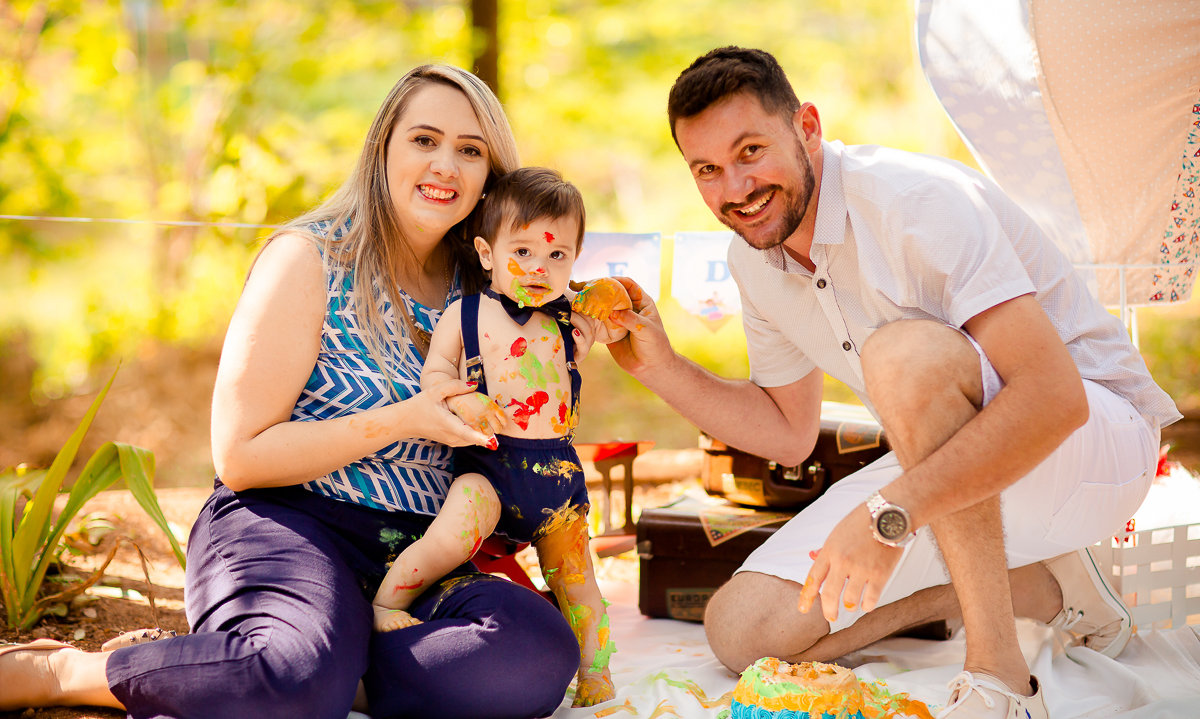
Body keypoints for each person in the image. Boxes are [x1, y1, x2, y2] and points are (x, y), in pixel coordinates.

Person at [604, 47, 1180, 719]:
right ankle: (1051, 587)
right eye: (708, 170)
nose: (735, 189)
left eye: (751, 151)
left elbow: (1056, 399)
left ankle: (999, 678)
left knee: (902, 355)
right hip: (953, 471)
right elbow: (787, 434)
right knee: (746, 631)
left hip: (1093, 444)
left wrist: (887, 517)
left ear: (808, 127)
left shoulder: (916, 203)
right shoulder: (753, 260)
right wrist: (658, 366)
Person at [0, 65, 580, 719]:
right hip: (292, 523)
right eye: (424, 140)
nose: (445, 164)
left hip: (415, 555)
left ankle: (306, 666)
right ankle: (65, 670)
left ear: (490, 175)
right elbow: (241, 456)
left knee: (534, 654)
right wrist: (403, 420)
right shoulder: (308, 259)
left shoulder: (489, 286)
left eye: (470, 150)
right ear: (383, 147)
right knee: (294, 677)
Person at [370, 167, 629, 707]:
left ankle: (596, 673)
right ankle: (388, 602)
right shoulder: (464, 316)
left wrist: (611, 295)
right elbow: (435, 376)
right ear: (487, 254)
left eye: (557, 256)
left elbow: (618, 318)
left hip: (556, 482)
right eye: (525, 251)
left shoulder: (572, 323)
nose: (540, 267)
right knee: (448, 539)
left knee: (578, 582)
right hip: (488, 469)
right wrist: (463, 398)